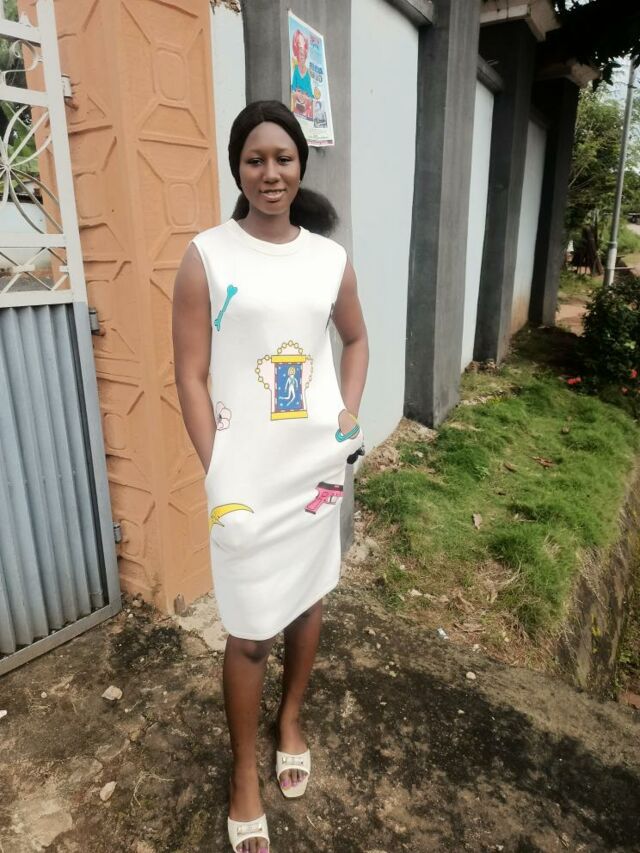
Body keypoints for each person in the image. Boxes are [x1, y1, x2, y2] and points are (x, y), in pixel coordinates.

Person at [172, 100, 369, 853]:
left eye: (282, 158)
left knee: (307, 600)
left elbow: (356, 340)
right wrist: (217, 470)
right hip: (244, 480)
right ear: (238, 168)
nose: (270, 172)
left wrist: (347, 413)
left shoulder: (328, 260)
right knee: (250, 630)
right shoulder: (207, 257)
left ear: (300, 165)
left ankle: (291, 719)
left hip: (313, 467)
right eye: (255, 159)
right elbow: (190, 375)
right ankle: (243, 772)